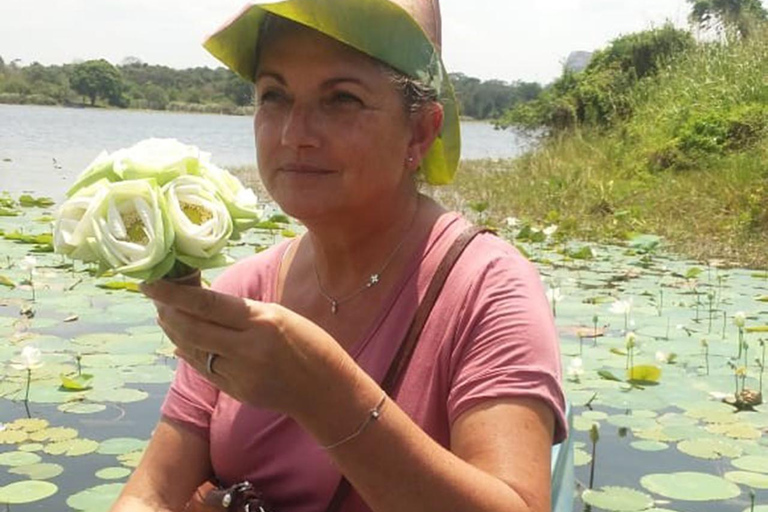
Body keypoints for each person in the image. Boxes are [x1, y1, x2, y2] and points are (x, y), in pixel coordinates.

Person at [110, 1, 567, 511]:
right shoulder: (244, 291)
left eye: (341, 100)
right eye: (274, 96)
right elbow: (150, 494)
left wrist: (324, 393)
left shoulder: (487, 288)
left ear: (420, 132)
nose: (293, 135)